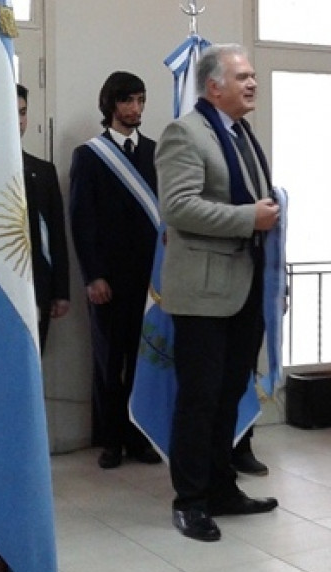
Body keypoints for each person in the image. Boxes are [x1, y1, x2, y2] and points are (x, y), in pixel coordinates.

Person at [157, 44, 280, 542]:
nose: (253, 83)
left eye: (254, 75)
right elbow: (179, 207)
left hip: (244, 287)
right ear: (213, 86)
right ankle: (190, 501)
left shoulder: (241, 131)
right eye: (243, 76)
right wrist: (249, 218)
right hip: (203, 292)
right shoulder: (184, 133)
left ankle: (222, 488)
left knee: (229, 395)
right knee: (199, 399)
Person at [68, 72, 161, 469]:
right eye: (127, 101)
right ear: (110, 105)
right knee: (109, 361)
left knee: (145, 360)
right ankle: (111, 439)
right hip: (109, 279)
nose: (135, 109)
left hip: (150, 281)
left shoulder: (156, 152)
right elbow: (82, 220)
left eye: (140, 100)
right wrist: (93, 276)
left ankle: (139, 436)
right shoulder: (89, 155)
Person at [16, 84, 69, 349]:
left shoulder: (43, 171)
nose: (18, 121)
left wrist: (61, 292)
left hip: (38, 289)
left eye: (23, 113)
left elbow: (56, 235)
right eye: (11, 113)